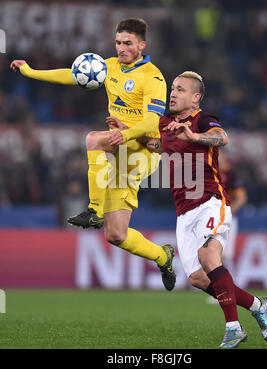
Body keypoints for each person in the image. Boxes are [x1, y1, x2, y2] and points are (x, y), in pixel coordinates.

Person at [10, 18, 176, 291]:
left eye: (127, 43)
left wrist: (125, 134)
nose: (121, 48)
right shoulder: (109, 66)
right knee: (116, 235)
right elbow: (71, 74)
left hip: (142, 152)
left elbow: (151, 122)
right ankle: (163, 256)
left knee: (93, 139)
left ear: (142, 45)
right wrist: (31, 72)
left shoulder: (153, 77)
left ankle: (94, 210)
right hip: (119, 145)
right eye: (118, 42)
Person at [113, 71, 267, 348]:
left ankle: (233, 328)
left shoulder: (202, 119)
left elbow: (221, 138)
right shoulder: (164, 123)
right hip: (183, 212)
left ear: (195, 97)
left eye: (180, 90)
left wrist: (195, 136)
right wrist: (128, 133)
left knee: (208, 256)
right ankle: (257, 304)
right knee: (199, 278)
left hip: (211, 201)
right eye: (172, 89)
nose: (172, 93)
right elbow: (156, 145)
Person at [218, 148, 247, 274]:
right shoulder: (207, 172)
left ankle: (229, 286)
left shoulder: (231, 174)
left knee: (225, 255)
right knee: (209, 253)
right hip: (208, 218)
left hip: (226, 219)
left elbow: (241, 198)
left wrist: (229, 211)